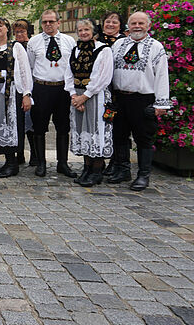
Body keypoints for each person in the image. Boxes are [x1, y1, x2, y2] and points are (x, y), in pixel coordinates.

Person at [109, 11, 170, 191]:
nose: (137, 26)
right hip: (120, 97)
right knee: (119, 135)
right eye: (133, 23)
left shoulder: (156, 47)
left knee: (143, 139)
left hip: (142, 99)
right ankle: (123, 170)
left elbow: (162, 76)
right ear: (128, 25)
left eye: (141, 23)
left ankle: (143, 175)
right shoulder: (119, 44)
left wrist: (161, 103)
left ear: (148, 26)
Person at [26, 9, 77, 178]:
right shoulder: (34, 42)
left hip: (63, 89)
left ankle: (62, 163)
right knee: (39, 127)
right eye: (45, 22)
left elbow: (72, 67)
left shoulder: (70, 41)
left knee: (63, 127)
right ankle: (41, 163)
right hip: (42, 88)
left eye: (51, 21)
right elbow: (30, 67)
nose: (48, 24)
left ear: (58, 22)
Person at [63, 19, 114, 187]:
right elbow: (68, 74)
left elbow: (102, 77)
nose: (83, 33)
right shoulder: (74, 50)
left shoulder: (103, 50)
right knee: (82, 131)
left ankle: (96, 170)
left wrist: (84, 96)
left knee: (94, 131)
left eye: (86, 29)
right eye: (80, 30)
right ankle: (87, 167)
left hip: (95, 96)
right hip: (77, 96)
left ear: (93, 32)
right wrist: (73, 96)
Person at [0, 18, 32, 178]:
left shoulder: (15, 47)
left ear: (7, 29)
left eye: (0, 26)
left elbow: (24, 71)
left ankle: (13, 163)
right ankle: (6, 161)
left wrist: (26, 94)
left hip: (9, 91)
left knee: (10, 125)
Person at [96, 11, 126, 178]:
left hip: (117, 90)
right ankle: (101, 160)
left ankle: (117, 162)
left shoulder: (124, 42)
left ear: (120, 25)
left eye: (114, 22)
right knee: (101, 125)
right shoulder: (98, 40)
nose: (110, 25)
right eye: (108, 21)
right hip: (100, 90)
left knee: (117, 128)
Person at [12, 19, 35, 167]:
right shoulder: (13, 46)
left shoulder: (32, 46)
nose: (19, 34)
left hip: (32, 86)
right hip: (18, 88)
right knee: (19, 122)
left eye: (22, 31)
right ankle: (19, 153)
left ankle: (35, 154)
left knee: (31, 123)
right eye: (17, 32)